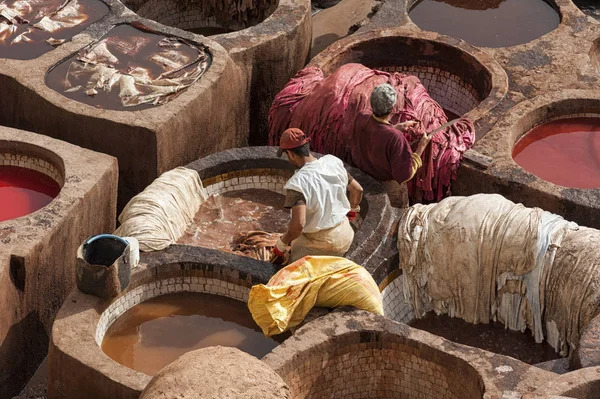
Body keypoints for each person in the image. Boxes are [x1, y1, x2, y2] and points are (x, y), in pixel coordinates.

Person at [271, 128, 364, 264]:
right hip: (345, 236)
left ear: (290, 154)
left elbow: (298, 225)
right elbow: (358, 190)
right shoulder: (333, 162)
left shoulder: (296, 184)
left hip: (319, 245)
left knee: (293, 271)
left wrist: (281, 244)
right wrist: (352, 210)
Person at [351, 83, 432, 207]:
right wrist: (421, 147)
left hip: (363, 179)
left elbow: (375, 132)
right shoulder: (395, 138)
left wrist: (395, 127)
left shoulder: (362, 117)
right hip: (387, 190)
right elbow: (405, 174)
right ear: (393, 108)